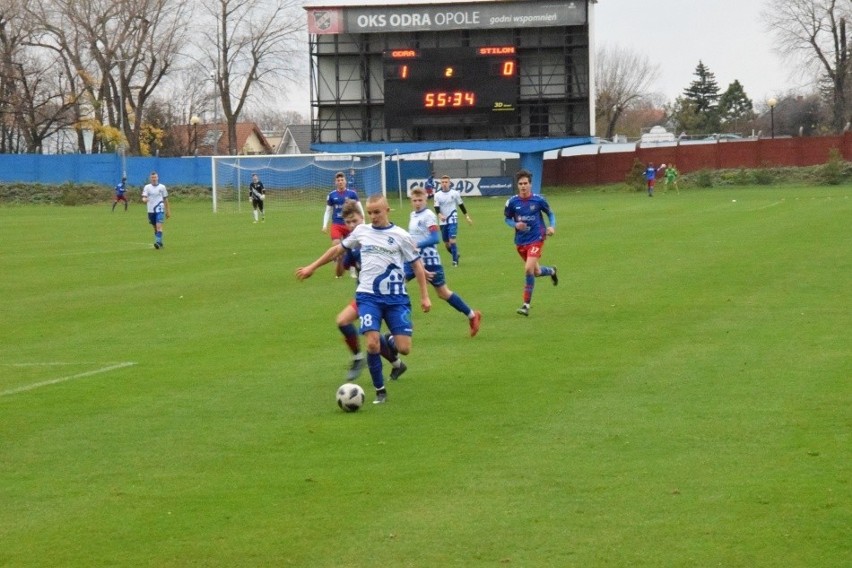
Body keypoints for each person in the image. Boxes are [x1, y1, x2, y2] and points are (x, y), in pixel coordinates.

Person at [297, 194, 431, 404]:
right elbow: (337, 250)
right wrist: (312, 267)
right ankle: (380, 391)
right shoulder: (362, 232)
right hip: (368, 297)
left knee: (404, 348)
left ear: (388, 210)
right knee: (371, 343)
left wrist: (425, 297)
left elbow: (417, 266)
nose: (373, 216)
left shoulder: (401, 236)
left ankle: (390, 341)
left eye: (377, 212)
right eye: (370, 212)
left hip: (396, 299)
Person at [335, 200, 408, 382]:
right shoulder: (353, 245)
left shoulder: (377, 238)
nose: (352, 225)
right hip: (366, 297)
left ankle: (364, 357)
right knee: (351, 325)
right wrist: (339, 257)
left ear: (363, 218)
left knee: (356, 327)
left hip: (385, 296)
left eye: (355, 221)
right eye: (348, 223)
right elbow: (339, 273)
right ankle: (396, 364)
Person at [408, 187, 481, 336]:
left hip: (430, 260)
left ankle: (473, 315)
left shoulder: (428, 215)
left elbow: (435, 238)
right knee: (397, 283)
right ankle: (402, 323)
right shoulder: (412, 215)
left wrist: (417, 244)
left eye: (420, 200)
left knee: (443, 293)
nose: (417, 203)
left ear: (426, 200)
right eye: (414, 200)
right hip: (414, 260)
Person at [503, 169, 557, 317]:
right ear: (517, 185)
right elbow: (506, 219)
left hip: (537, 238)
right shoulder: (512, 202)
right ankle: (551, 271)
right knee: (536, 271)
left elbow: (550, 214)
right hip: (521, 242)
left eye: (525, 183)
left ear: (530, 184)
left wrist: (552, 226)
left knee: (528, 269)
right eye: (520, 184)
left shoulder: (538, 200)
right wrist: (514, 224)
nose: (523, 186)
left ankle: (526, 305)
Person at [322, 171, 364, 277]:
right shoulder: (331, 195)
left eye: (342, 180)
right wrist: (324, 225)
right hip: (336, 224)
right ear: (335, 182)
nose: (340, 182)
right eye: (338, 180)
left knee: (352, 247)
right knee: (336, 244)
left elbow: (359, 207)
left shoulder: (352, 194)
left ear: (345, 181)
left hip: (349, 225)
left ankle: (353, 268)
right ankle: (338, 266)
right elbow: (328, 210)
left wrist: (363, 221)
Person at [433, 175, 472, 266]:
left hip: (453, 218)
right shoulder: (437, 195)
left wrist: (467, 217)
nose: (444, 184)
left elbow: (461, 205)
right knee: (446, 244)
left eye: (446, 182)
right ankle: (456, 254)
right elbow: (436, 207)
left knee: (452, 240)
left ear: (449, 183)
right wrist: (439, 215)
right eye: (442, 182)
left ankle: (455, 262)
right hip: (443, 221)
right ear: (441, 183)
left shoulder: (454, 193)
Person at [141, 171, 170, 249]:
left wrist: (167, 211)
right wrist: (144, 199)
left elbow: (165, 199)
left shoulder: (162, 187)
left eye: (155, 177)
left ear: (158, 178)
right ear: (150, 178)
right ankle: (160, 242)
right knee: (155, 227)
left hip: (159, 209)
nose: (154, 179)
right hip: (150, 210)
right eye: (152, 177)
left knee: (159, 226)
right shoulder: (147, 187)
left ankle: (157, 242)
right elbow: (144, 197)